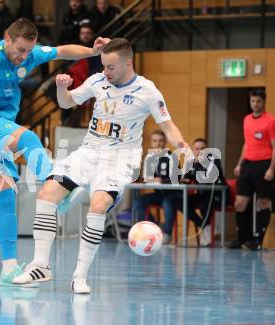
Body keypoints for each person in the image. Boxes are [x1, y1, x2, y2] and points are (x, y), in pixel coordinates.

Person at [12, 38, 188, 293]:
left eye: (111, 67)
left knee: (98, 204)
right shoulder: (97, 80)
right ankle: (41, 266)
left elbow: (168, 126)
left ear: (128, 63)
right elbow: (67, 102)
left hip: (119, 159)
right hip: (88, 153)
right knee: (47, 194)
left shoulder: (148, 91)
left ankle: (80, 276)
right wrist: (62, 88)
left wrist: (183, 146)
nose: (106, 72)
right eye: (104, 66)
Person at [0, 17, 110, 286]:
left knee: (4, 195)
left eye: (28, 51)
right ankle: (59, 193)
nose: (23, 57)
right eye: (19, 50)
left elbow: (62, 51)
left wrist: (94, 51)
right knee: (29, 139)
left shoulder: (30, 54)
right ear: (7, 40)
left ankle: (9, 268)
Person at [228, 88, 275, 250]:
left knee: (262, 202)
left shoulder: (270, 120)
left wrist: (271, 169)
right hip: (248, 164)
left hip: (264, 164)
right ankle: (242, 238)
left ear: (264, 102)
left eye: (258, 101)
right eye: (253, 101)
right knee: (240, 203)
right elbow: (247, 143)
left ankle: (258, 241)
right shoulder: (247, 119)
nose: (255, 104)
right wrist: (240, 163)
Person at [131, 129, 178, 225]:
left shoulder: (172, 157)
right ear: (151, 143)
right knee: (137, 202)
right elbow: (146, 179)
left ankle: (166, 233)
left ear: (165, 142)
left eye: (160, 140)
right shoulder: (149, 157)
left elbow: (176, 178)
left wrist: (161, 180)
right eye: (155, 141)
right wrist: (153, 179)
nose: (158, 143)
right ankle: (153, 227)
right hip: (158, 194)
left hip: (173, 195)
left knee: (167, 202)